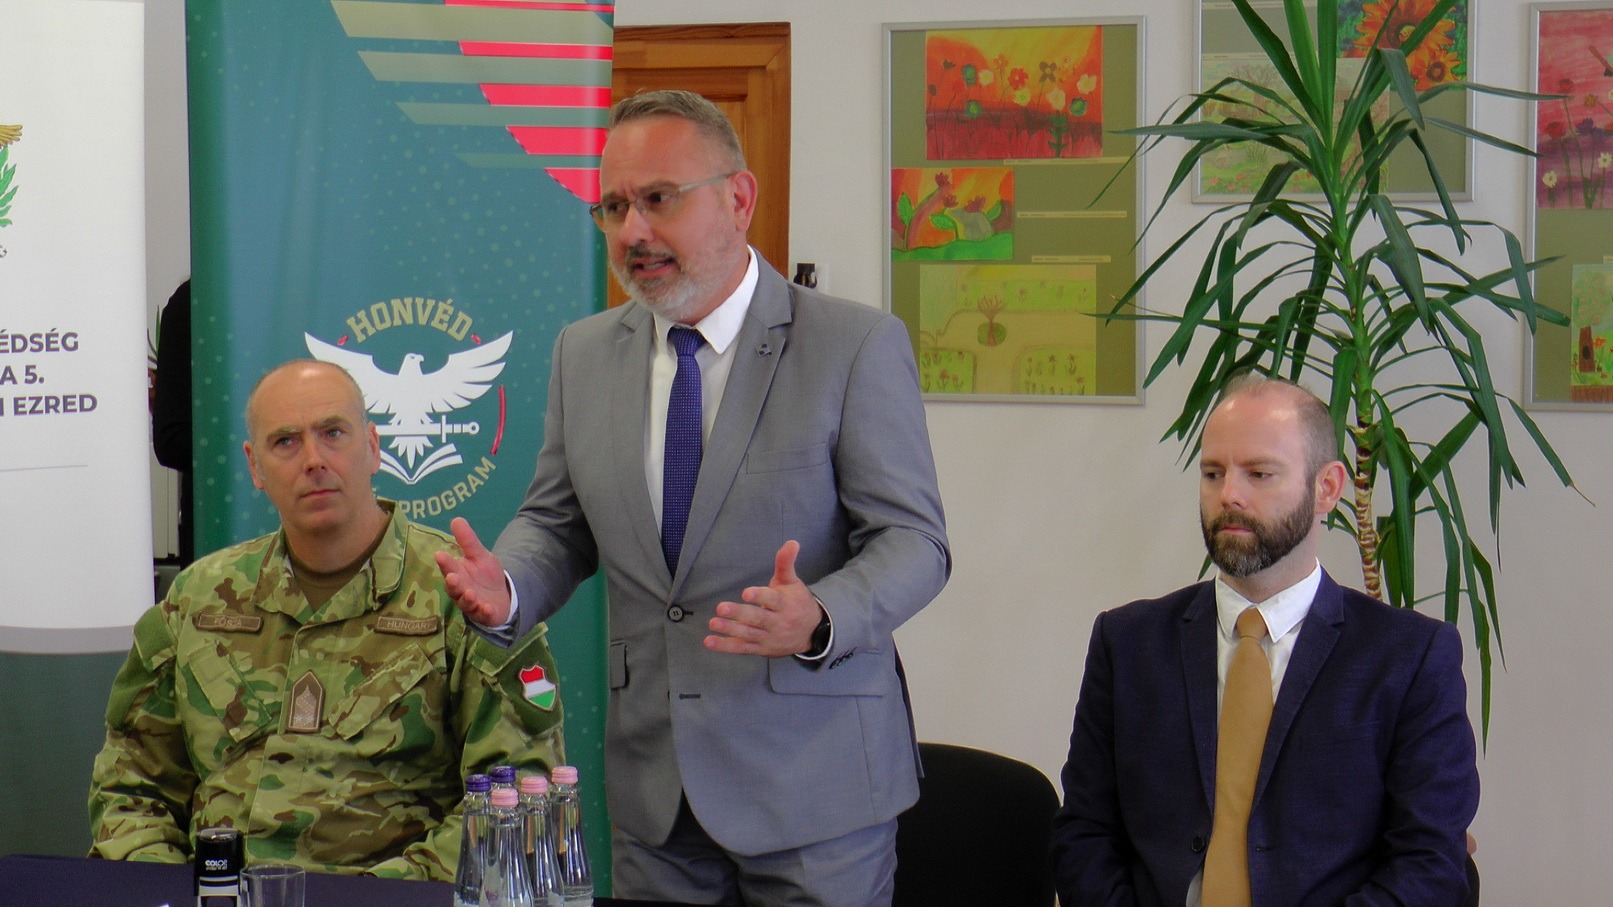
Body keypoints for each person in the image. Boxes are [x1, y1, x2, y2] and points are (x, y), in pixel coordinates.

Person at [435, 89, 950, 905]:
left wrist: (820, 616)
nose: (632, 231)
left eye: (658, 199)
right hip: (656, 797)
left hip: (814, 791)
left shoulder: (851, 344)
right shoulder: (582, 352)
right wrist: (507, 585)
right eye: (614, 207)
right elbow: (557, 522)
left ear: (738, 199)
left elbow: (915, 542)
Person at [88, 359, 565, 880]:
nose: (313, 460)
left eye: (333, 433)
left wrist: (375, 897)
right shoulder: (199, 598)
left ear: (373, 447)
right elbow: (131, 787)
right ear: (255, 466)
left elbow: (515, 800)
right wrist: (174, 889)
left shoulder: (462, 596)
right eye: (285, 442)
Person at [1051, 373, 1479, 906]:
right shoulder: (1128, 643)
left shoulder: (1409, 657)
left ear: (1327, 489)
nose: (1229, 495)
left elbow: (1429, 863)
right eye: (1213, 473)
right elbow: (1084, 835)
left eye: (1259, 474)